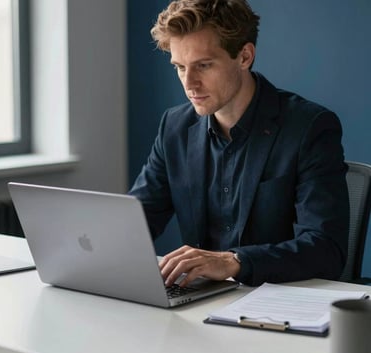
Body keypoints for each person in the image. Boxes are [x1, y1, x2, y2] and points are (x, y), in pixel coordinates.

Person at [128, 0, 349, 287]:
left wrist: (234, 261)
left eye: (204, 65)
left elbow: (326, 250)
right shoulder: (175, 127)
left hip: (277, 305)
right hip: (200, 303)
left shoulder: (310, 127)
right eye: (180, 67)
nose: (189, 83)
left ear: (244, 57)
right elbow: (135, 222)